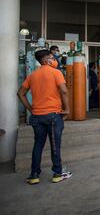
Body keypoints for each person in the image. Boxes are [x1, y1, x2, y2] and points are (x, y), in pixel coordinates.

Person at [17, 49, 72, 185]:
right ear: (46, 59)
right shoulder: (56, 72)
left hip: (36, 116)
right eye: (52, 57)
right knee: (55, 145)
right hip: (53, 115)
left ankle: (34, 175)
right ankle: (58, 173)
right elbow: (64, 91)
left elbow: (20, 93)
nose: (54, 60)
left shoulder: (32, 75)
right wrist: (67, 109)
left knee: (38, 145)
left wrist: (31, 109)